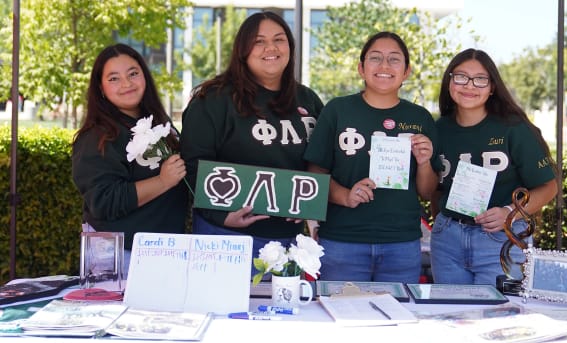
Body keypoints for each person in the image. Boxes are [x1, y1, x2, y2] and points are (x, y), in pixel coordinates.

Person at [179, 11, 324, 276]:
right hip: (226, 238)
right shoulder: (213, 100)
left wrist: (309, 205)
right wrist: (220, 215)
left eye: (279, 39)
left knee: (285, 315)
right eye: (259, 41)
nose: (271, 47)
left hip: (288, 243)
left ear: (290, 47)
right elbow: (192, 166)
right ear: (243, 50)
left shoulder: (308, 100)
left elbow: (321, 162)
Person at [303, 31, 440, 284]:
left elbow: (427, 191)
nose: (385, 66)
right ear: (361, 68)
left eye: (394, 59)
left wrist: (423, 162)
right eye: (375, 58)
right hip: (342, 241)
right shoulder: (338, 110)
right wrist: (345, 195)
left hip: (401, 244)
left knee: (399, 319)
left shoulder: (420, 118)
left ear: (407, 71)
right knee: (342, 316)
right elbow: (315, 174)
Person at [430, 48, 558, 285]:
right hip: (447, 240)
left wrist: (510, 212)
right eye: (460, 77)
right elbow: (434, 190)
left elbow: (549, 186)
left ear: (492, 87)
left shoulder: (514, 128)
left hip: (501, 239)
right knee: (449, 317)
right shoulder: (438, 129)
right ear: (449, 81)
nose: (469, 86)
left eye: (480, 79)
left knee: (500, 318)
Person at [72, 43, 188, 275]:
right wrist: (163, 181)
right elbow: (103, 201)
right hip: (119, 258)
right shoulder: (97, 136)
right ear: (101, 88)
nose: (127, 84)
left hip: (165, 251)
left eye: (133, 74)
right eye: (114, 78)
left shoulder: (158, 124)